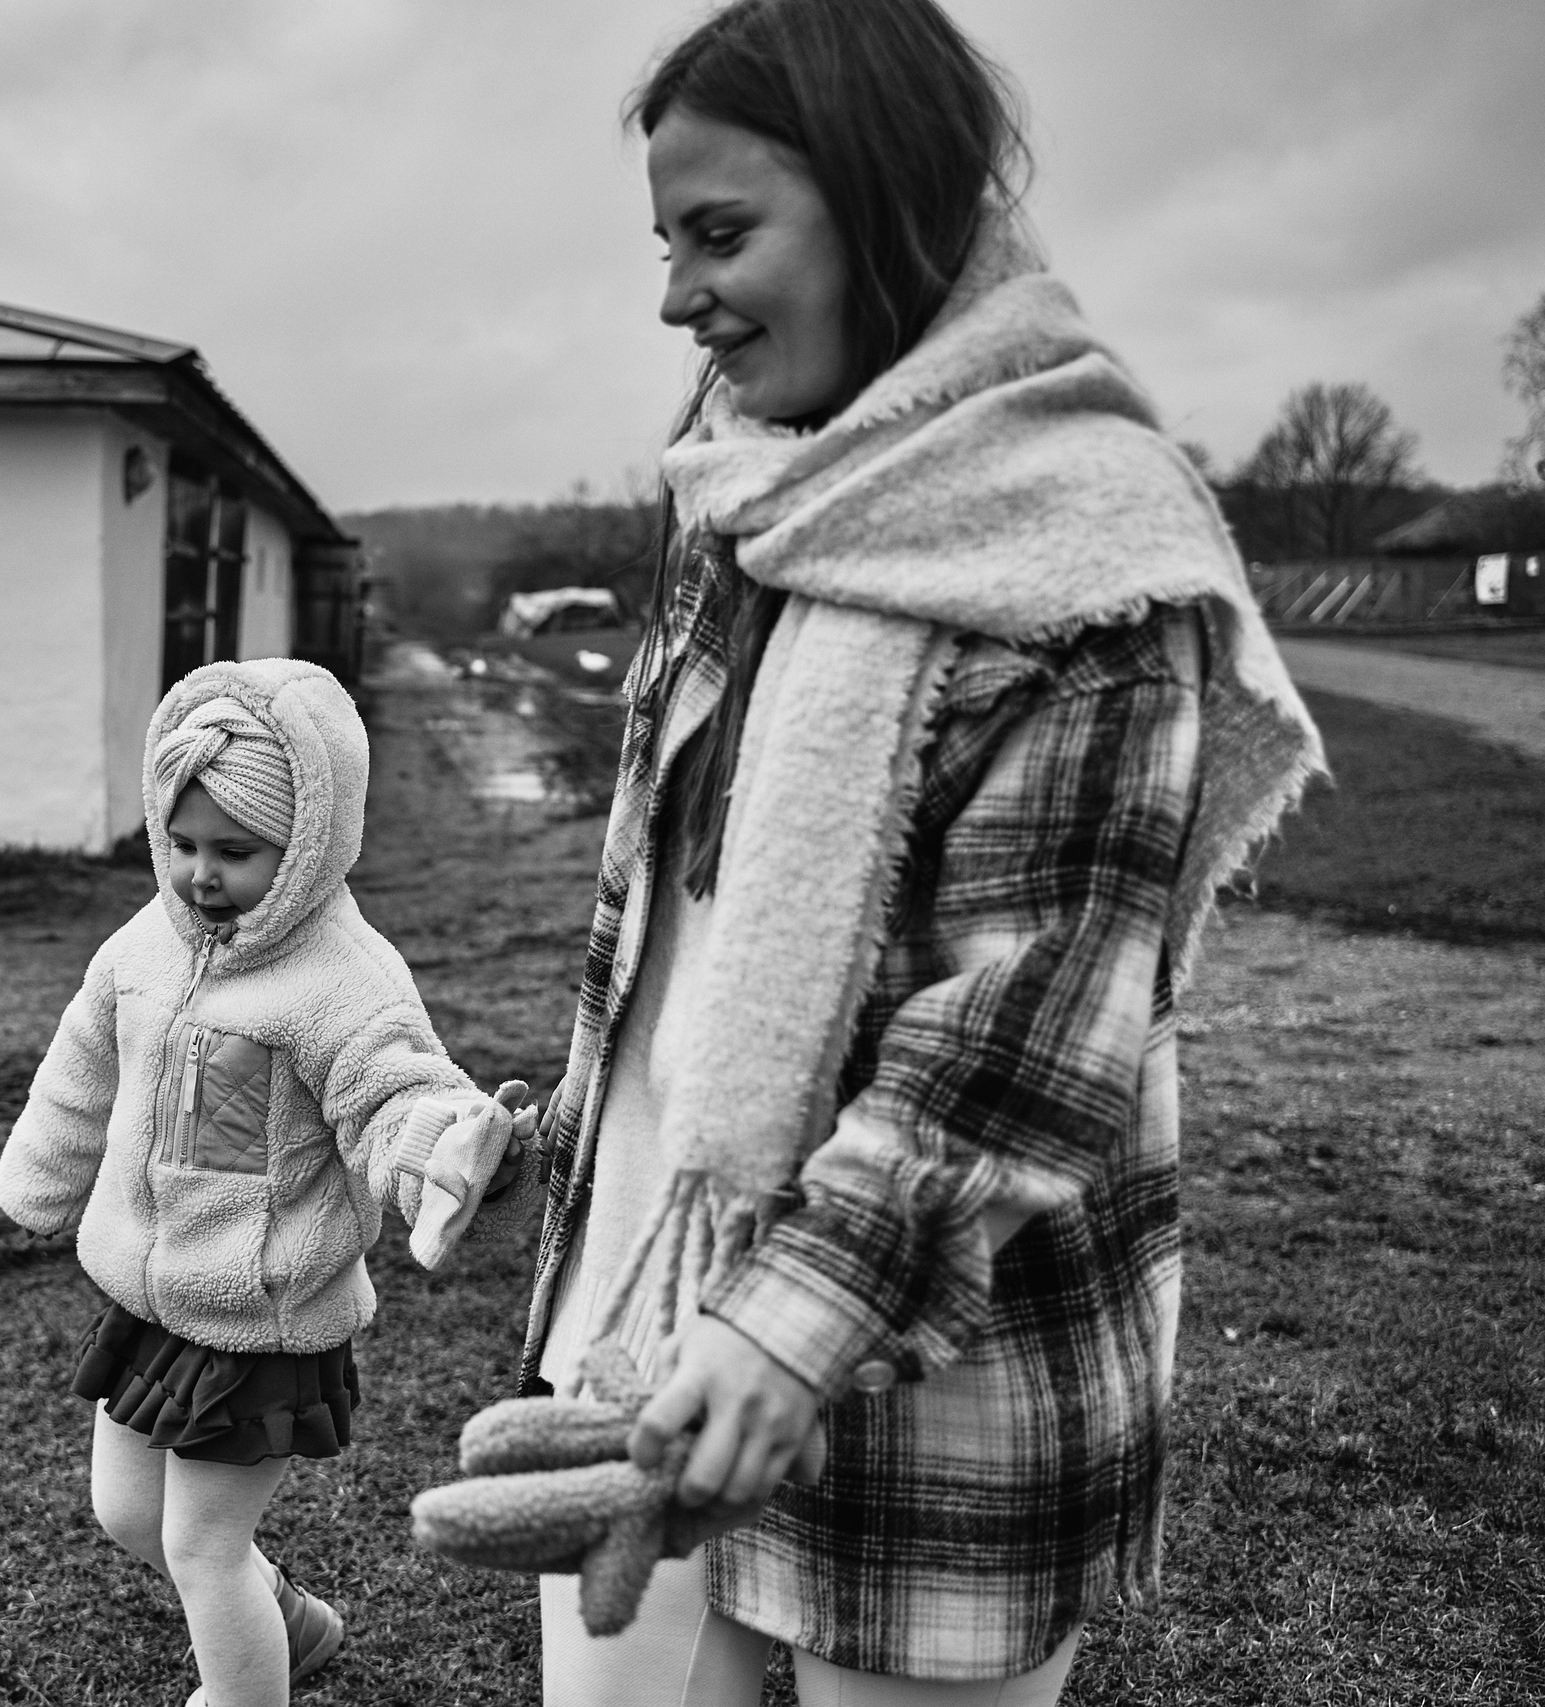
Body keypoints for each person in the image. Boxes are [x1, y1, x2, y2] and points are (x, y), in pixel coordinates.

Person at [518, 2, 1323, 1703]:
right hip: (652, 1341)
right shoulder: (748, 499)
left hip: (937, 1400)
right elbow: (675, 939)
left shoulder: (1093, 550)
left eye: (721, 233)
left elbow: (1024, 1039)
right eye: (666, 240)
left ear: (892, 202)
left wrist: (789, 1323)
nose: (675, 296)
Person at [0, 658, 534, 1707]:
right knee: (127, 1516)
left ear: (309, 842)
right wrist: (41, 1178)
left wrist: (445, 1149)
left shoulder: (341, 976)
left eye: (235, 853)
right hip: (149, 1299)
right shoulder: (144, 946)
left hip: (260, 1316)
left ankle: (244, 1692)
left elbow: (394, 1093)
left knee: (201, 1546)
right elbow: (80, 1066)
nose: (201, 874)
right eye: (184, 844)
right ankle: (289, 1623)